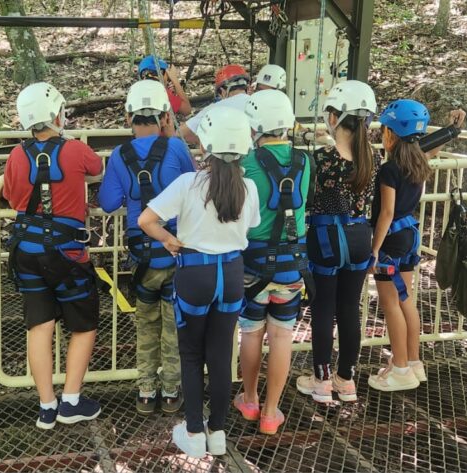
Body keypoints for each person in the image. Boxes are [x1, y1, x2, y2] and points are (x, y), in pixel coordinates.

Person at [140, 106, 260, 458]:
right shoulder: (249, 187)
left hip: (195, 273)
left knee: (191, 355)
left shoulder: (188, 184)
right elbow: (248, 228)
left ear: (206, 145)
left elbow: (148, 219)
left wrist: (167, 239)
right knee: (221, 355)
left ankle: (193, 431)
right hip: (233, 275)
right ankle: (218, 432)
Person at [3, 82, 104, 430]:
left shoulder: (16, 155)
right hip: (66, 253)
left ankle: (47, 406)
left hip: (27, 253)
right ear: (56, 114)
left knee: (39, 327)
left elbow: (12, 197)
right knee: (84, 324)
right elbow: (96, 170)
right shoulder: (75, 149)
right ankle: (71, 400)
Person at [98, 80, 194, 415]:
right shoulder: (178, 149)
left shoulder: (119, 157)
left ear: (128, 116)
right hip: (175, 250)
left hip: (141, 256)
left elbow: (108, 202)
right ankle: (170, 392)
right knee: (172, 323)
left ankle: (144, 392)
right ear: (165, 115)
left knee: (145, 321)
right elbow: (193, 190)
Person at [368, 101, 466, 391]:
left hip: (392, 242)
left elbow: (386, 213)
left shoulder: (389, 170)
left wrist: (374, 248)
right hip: (410, 236)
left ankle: (399, 369)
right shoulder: (419, 158)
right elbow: (432, 143)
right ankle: (412, 362)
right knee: (406, 299)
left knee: (390, 304)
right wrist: (454, 128)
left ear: (391, 134)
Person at [296, 80, 378, 404]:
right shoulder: (371, 160)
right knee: (349, 309)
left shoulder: (323, 159)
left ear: (333, 117)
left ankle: (321, 381)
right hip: (360, 236)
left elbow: (309, 198)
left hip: (326, 237)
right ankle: (346, 380)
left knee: (323, 308)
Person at [235, 89, 311, 435]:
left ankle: (249, 399)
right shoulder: (305, 162)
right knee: (281, 338)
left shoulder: (245, 163)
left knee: (251, 334)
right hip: (291, 266)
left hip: (253, 265)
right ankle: (271, 412)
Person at [180, 64, 251, 147]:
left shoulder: (215, 108)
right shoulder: (258, 103)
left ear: (222, 91)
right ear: (246, 87)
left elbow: (181, 133)